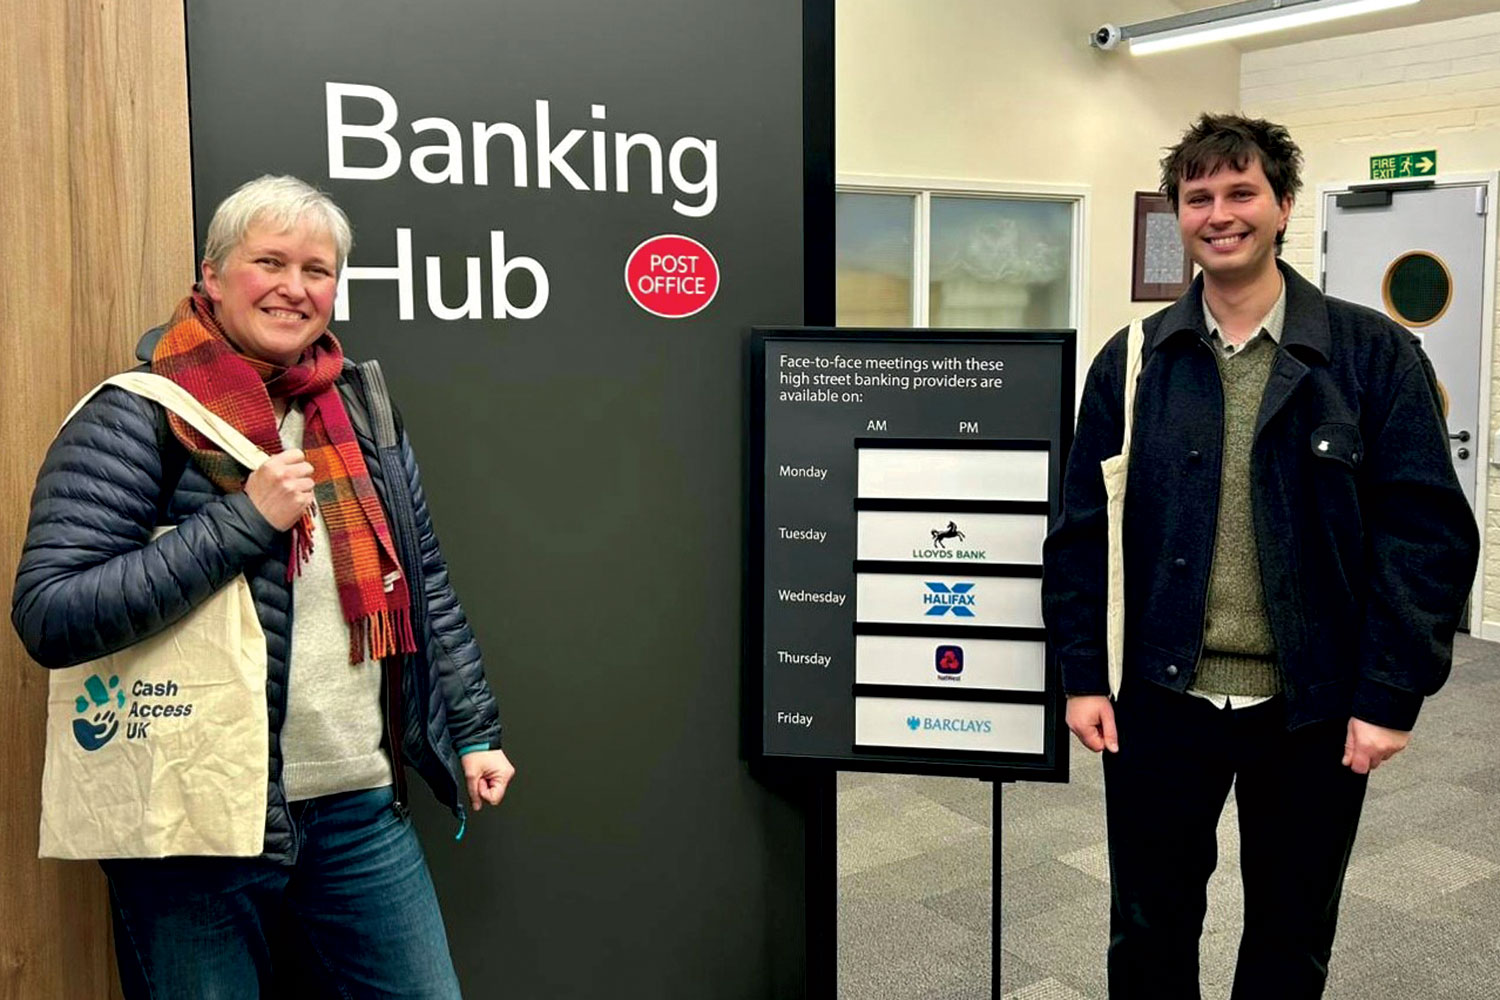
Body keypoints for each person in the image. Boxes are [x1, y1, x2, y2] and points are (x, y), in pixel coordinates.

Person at [12, 175, 515, 999]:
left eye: (317, 269)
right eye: (269, 262)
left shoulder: (359, 411)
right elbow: (52, 612)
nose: (294, 287)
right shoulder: (137, 414)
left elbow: (423, 582)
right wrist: (244, 522)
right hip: (193, 823)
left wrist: (473, 730)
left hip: (358, 806)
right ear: (212, 276)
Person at [1042, 114, 1478, 999]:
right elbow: (1082, 531)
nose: (1220, 213)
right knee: (1148, 928)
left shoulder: (1372, 356)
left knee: (1291, 931)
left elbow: (1425, 535)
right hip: (1160, 698)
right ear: (1179, 216)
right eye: (1197, 197)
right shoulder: (1131, 363)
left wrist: (1390, 694)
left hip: (1311, 707)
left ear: (1284, 206)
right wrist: (1083, 674)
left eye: (1241, 192)